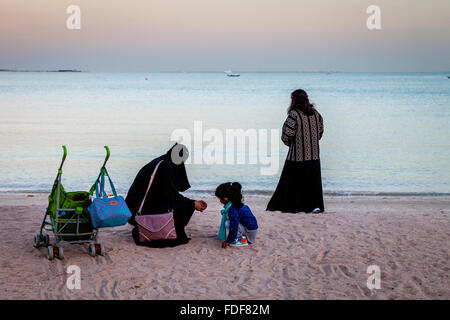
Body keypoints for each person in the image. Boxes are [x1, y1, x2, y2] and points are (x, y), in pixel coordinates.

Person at [125, 143, 207, 247]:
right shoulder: (164, 166)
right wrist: (193, 204)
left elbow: (165, 193)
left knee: (181, 202)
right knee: (185, 206)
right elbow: (171, 195)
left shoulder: (160, 161)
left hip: (133, 209)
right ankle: (165, 231)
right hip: (137, 213)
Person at [267, 89, 325, 213]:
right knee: (313, 184)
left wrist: (291, 144)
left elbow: (286, 134)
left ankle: (293, 207)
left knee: (292, 183)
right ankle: (315, 206)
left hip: (297, 157)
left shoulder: (294, 114)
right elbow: (320, 132)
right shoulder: (316, 114)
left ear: (294, 100)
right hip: (314, 156)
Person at [215, 182, 258, 248]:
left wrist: (228, 240)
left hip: (250, 232)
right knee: (231, 220)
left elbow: (234, 226)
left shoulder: (233, 209)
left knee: (227, 223)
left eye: (220, 199)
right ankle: (242, 235)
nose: (220, 201)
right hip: (253, 229)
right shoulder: (239, 204)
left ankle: (240, 239)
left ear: (225, 199)